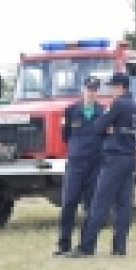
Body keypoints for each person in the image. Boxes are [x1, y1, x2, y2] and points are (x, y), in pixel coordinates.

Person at [67, 72, 136, 258]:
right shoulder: (134, 105)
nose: (110, 90)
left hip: (114, 158)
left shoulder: (118, 104)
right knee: (124, 204)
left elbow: (99, 126)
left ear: (120, 87)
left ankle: (86, 247)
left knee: (99, 203)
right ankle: (119, 247)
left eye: (113, 87)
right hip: (129, 157)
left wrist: (109, 127)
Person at [54, 76, 105, 256]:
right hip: (75, 163)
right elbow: (65, 135)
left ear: (97, 92)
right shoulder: (70, 111)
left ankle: (86, 245)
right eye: (88, 89)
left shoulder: (103, 112)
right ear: (82, 90)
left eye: (94, 89)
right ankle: (63, 244)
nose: (91, 92)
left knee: (91, 205)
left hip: (95, 164)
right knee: (69, 203)